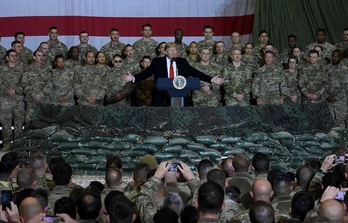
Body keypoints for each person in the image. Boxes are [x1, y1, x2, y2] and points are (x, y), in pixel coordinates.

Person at [123, 42, 224, 107]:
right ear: (166, 52)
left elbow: (195, 72)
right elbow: (147, 72)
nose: (173, 52)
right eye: (171, 50)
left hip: (180, 95)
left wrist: (211, 79)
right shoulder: (157, 62)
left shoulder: (182, 62)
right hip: (161, 96)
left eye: (175, 50)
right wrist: (133, 77)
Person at [0, 49, 25, 151]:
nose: (14, 57)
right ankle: (7, 143)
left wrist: (16, 90)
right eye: (11, 55)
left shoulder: (22, 68)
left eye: (15, 55)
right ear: (7, 58)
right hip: (5, 99)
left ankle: (18, 144)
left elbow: (25, 82)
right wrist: (7, 90)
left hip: (18, 99)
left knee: (19, 122)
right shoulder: (1, 68)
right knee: (6, 123)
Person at [21, 50, 53, 124]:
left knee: (45, 121)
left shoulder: (47, 69)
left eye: (42, 56)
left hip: (44, 99)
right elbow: (24, 84)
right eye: (39, 55)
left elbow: (50, 83)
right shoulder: (28, 69)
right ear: (34, 57)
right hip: (31, 100)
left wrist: (41, 94)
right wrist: (33, 94)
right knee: (30, 121)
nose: (41, 57)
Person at [326, 50, 348, 128]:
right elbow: (323, 84)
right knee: (330, 122)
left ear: (340, 57)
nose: (334, 58)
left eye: (336, 56)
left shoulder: (345, 69)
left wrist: (336, 97)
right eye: (333, 56)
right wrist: (327, 96)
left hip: (341, 101)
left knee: (341, 122)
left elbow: (346, 86)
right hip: (329, 100)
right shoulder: (327, 68)